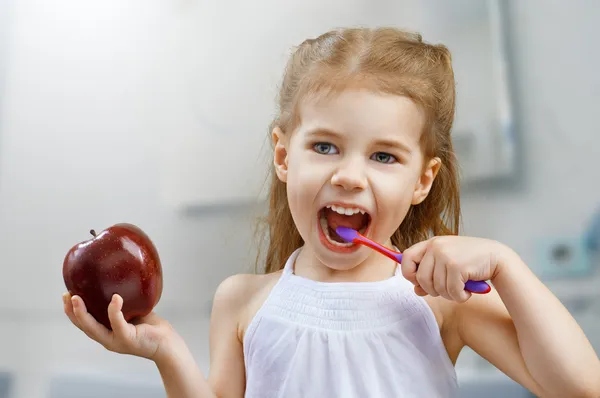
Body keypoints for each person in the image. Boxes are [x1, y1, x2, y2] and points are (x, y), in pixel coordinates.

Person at [62, 27, 600, 397]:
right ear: (283, 157)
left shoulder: (439, 304)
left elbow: (579, 387)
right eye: (324, 147)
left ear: (422, 181)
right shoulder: (242, 301)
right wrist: (166, 353)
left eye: (384, 156)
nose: (348, 175)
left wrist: (505, 264)